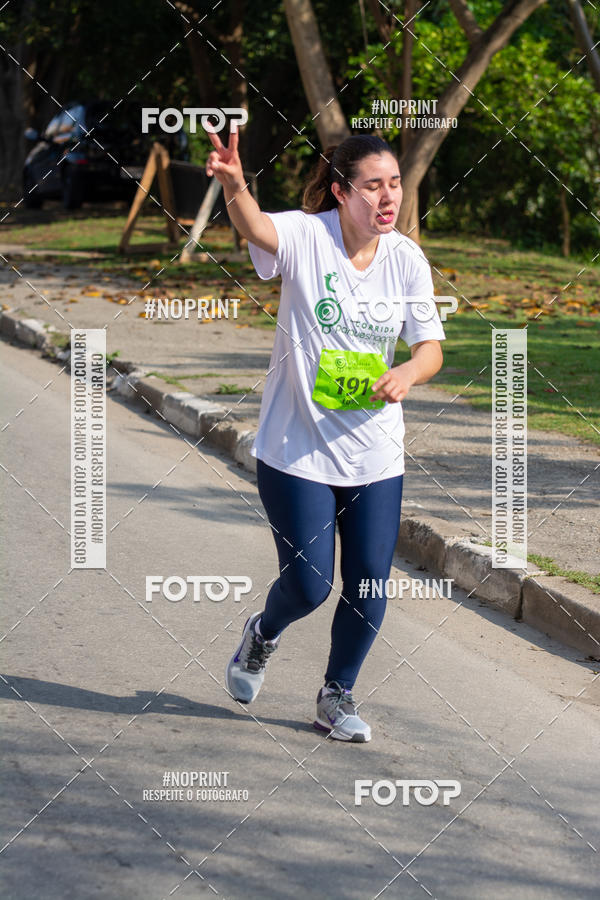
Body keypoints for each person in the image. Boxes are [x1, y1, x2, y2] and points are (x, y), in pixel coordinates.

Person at [206, 124, 445, 742]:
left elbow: (430, 348)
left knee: (368, 583)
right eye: (373, 186)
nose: (388, 197)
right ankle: (262, 633)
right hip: (297, 450)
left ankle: (336, 695)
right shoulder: (308, 237)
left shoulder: (406, 258)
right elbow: (258, 228)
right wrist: (235, 184)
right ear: (341, 191)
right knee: (311, 584)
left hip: (374, 453)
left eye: (395, 183)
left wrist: (406, 373)